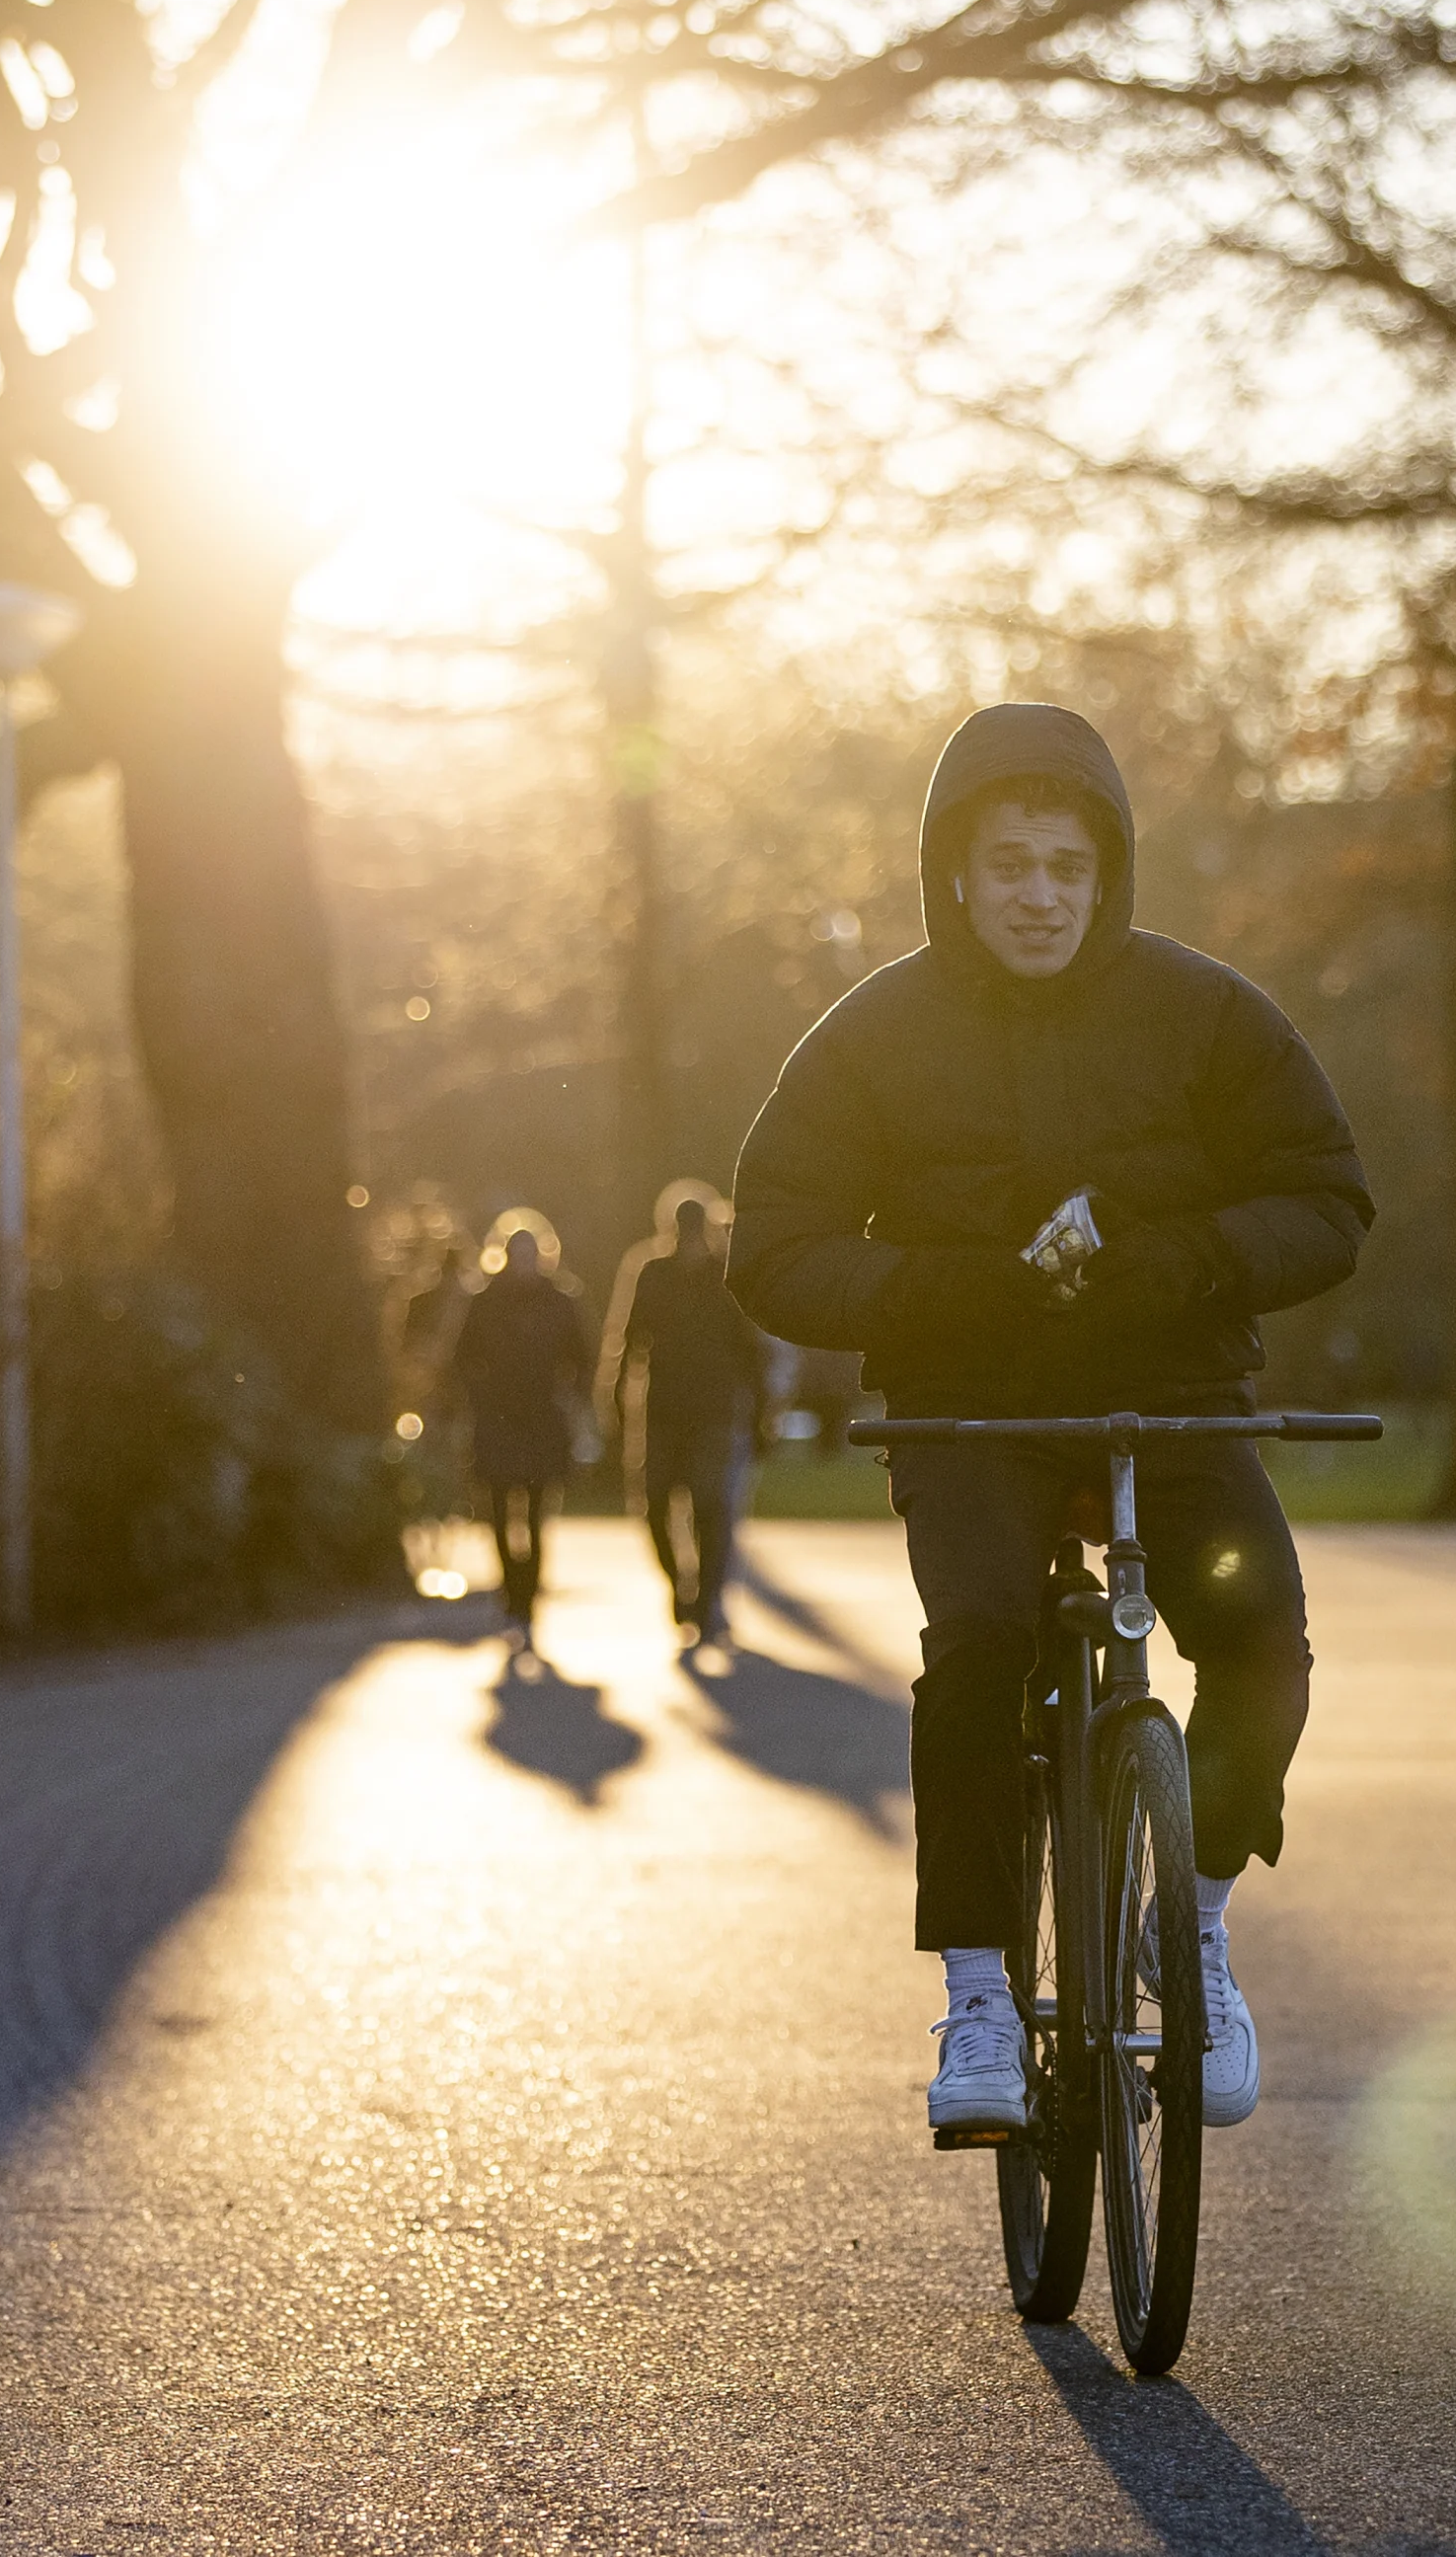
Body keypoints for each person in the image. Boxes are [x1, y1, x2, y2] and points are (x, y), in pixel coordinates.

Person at [727, 704, 1370, 2144]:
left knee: (1262, 1632)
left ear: (1109, 873)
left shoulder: (1206, 1013)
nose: (1038, 895)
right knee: (980, 1655)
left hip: (1174, 1398)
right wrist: (948, 1290)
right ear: (956, 870)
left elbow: (1330, 1202)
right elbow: (771, 1244)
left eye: (1067, 868)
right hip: (968, 1415)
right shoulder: (873, 1034)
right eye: (1010, 863)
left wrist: (1181, 1255)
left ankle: (1189, 1923)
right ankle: (974, 1992)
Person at [598, 1190, 773, 1650]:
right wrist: (614, 1399)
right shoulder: (651, 1272)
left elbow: (751, 1352)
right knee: (654, 1504)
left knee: (711, 1507)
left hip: (716, 1411)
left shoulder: (727, 1278)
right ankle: (681, 1583)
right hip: (663, 1410)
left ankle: (708, 1600)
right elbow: (629, 1338)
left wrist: (760, 1413)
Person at [451, 1220, 588, 1646]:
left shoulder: (560, 1302)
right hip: (497, 1419)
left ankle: (527, 1598)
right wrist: (477, 1394)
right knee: (495, 1512)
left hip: (542, 1419)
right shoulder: (485, 1302)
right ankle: (510, 1592)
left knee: (534, 1515)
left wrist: (571, 1398)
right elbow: (462, 1357)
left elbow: (582, 1357)